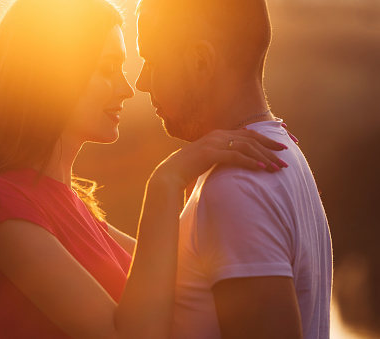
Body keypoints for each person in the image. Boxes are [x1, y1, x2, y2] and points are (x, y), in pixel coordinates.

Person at [0, 0, 289, 338]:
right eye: (107, 69)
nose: (126, 88)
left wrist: (198, 194)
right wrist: (166, 180)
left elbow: (181, 285)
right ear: (51, 76)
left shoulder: (75, 206)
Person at [135, 0, 333, 338]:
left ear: (201, 61)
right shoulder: (285, 153)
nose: (141, 82)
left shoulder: (237, 187)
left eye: (151, 62)